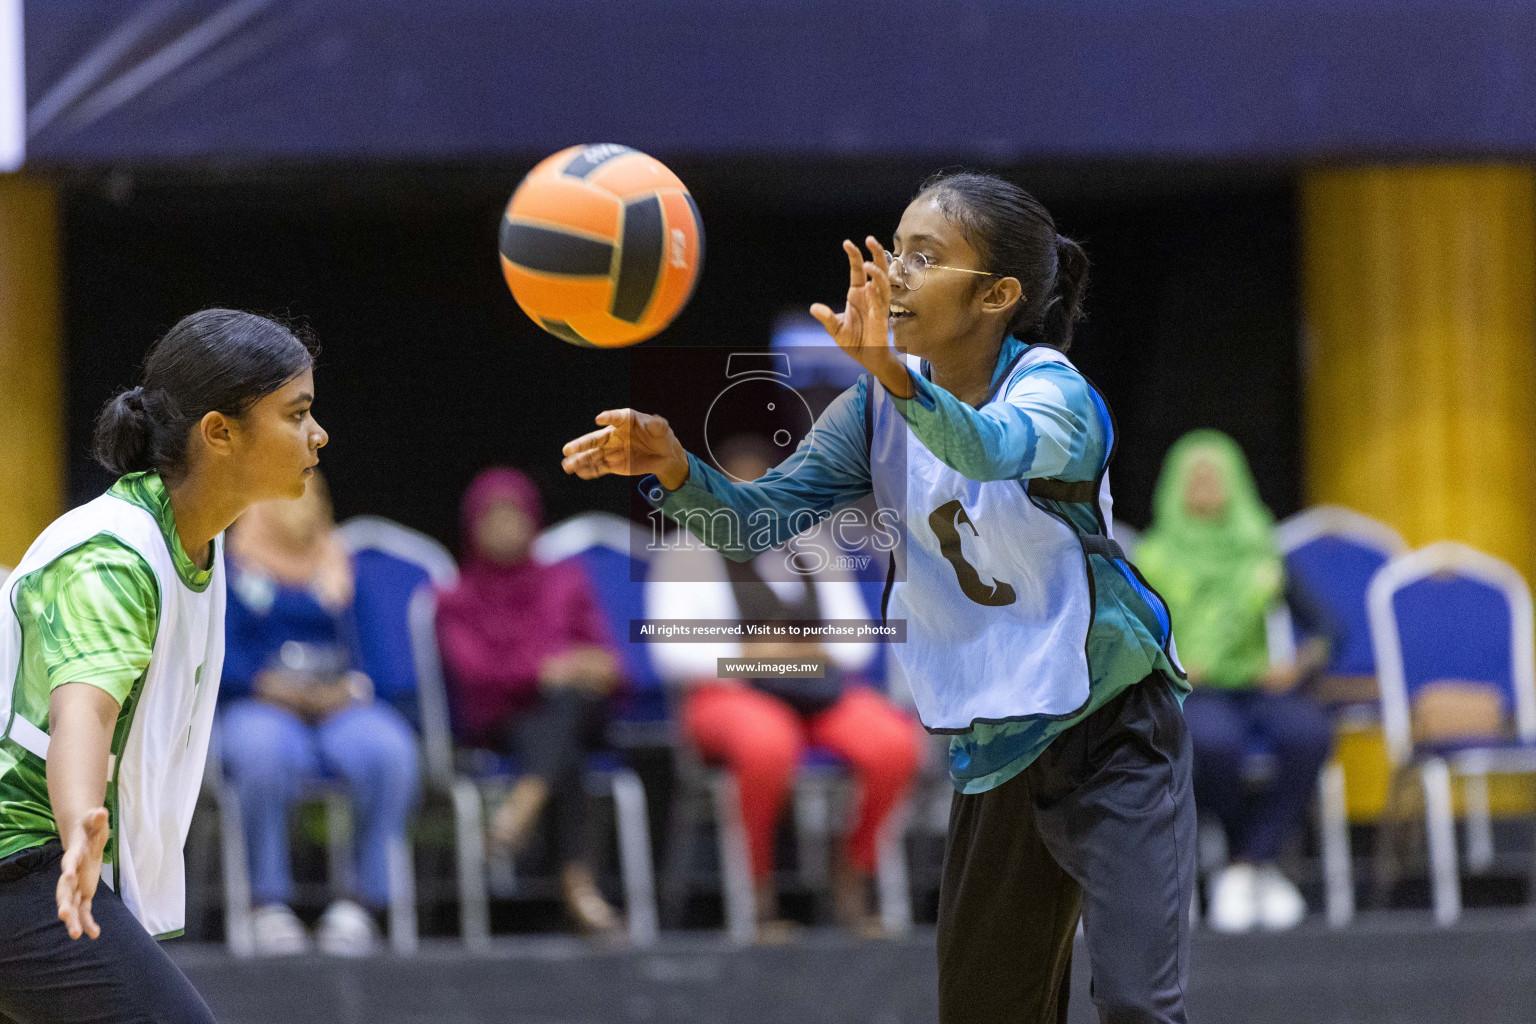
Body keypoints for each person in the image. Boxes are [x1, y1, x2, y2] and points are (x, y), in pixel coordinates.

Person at [562, 171, 1193, 1023]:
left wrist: (895, 378)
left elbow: (989, 448)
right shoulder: (874, 409)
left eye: (923, 257)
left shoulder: (1054, 392)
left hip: (1116, 723)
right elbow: (756, 522)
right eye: (893, 251)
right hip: (1001, 743)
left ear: (998, 294)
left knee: (1136, 1007)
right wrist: (676, 468)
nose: (894, 273)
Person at [0, 309, 325, 1024]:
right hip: (20, 853)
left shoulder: (196, 542)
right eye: (297, 414)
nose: (317, 433)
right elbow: (82, 705)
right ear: (220, 432)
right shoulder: (114, 556)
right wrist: (81, 820)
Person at [646, 434, 921, 940]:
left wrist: (797, 651)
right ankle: (758, 893)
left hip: (814, 694)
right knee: (767, 743)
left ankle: (852, 873)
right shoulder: (687, 551)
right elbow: (672, 652)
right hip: (728, 695)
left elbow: (857, 642)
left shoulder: (814, 546)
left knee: (894, 744)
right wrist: (750, 654)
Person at [1135, 430, 1337, 934]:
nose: (1205, 487)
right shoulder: (1154, 557)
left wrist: (1296, 666)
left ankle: (1247, 862)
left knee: (1310, 734)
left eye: (1215, 477)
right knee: (1214, 745)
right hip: (1190, 690)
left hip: (1255, 687)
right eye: (1195, 478)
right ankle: (1253, 866)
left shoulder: (1260, 552)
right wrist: (1169, 662)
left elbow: (1330, 628)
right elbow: (1127, 635)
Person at [217, 472, 421, 955]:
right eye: (287, 495)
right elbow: (216, 657)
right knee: (262, 752)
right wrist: (268, 685)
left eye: (313, 496)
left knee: (389, 749)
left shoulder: (343, 569)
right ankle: (266, 903)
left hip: (337, 706)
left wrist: (348, 688)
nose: (302, 506)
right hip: (258, 702)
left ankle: (360, 902)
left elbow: (377, 656)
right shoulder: (231, 566)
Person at [434, 467, 625, 936]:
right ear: (472, 525)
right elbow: (476, 676)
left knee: (567, 700)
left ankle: (524, 801)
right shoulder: (456, 596)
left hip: (578, 709)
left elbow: (609, 662)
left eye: (514, 515)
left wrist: (580, 668)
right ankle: (578, 886)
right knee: (564, 742)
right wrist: (546, 670)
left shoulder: (565, 580)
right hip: (503, 719)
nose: (505, 527)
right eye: (492, 517)